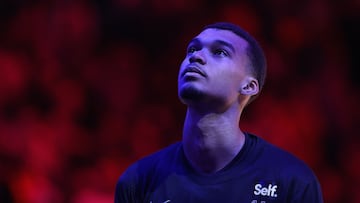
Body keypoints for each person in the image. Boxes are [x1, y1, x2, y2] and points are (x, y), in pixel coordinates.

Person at [114, 22, 323, 203]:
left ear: (249, 86)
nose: (196, 57)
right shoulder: (138, 181)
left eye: (220, 52)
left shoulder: (292, 181)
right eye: (191, 49)